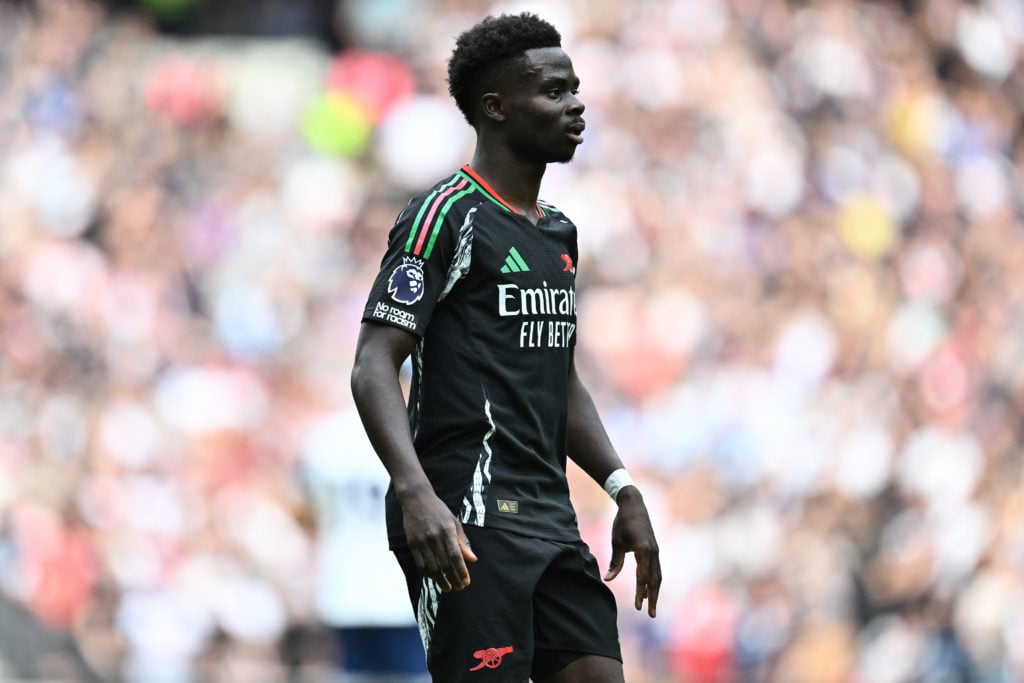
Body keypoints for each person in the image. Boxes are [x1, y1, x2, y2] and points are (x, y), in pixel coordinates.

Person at [350, 12, 661, 682]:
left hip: (549, 518)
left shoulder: (559, 234)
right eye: (554, 92)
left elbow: (559, 378)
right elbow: (374, 361)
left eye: (575, 88)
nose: (576, 104)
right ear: (495, 108)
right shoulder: (446, 215)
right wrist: (416, 493)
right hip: (464, 515)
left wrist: (621, 486)